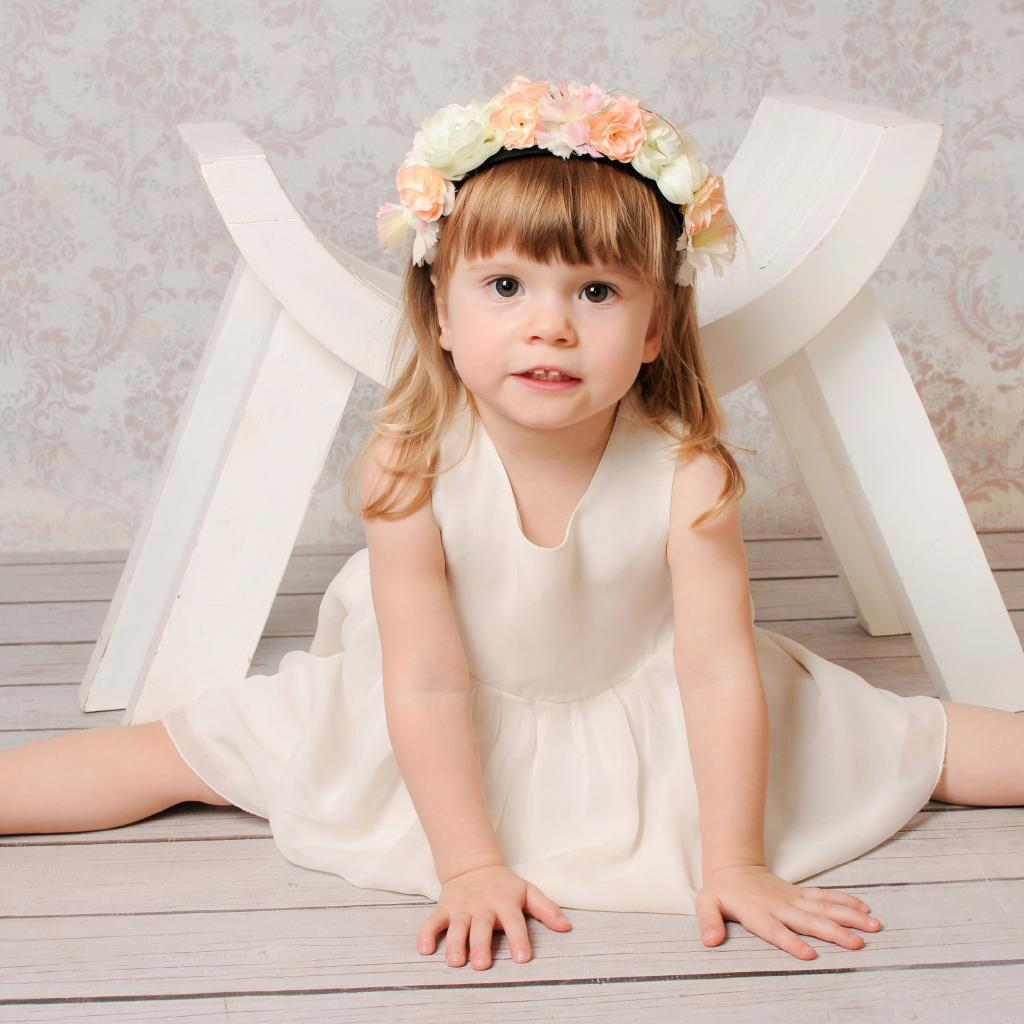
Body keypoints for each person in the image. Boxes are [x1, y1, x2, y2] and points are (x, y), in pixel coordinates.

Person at [3, 75, 1022, 975]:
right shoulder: (410, 466)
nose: (550, 324)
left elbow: (716, 674)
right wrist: (469, 864)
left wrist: (735, 860)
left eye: (596, 291)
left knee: (912, 744)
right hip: (430, 712)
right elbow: (425, 679)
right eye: (505, 286)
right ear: (442, 315)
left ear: (655, 326)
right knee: (182, 755)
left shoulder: (688, 474)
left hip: (659, 708)